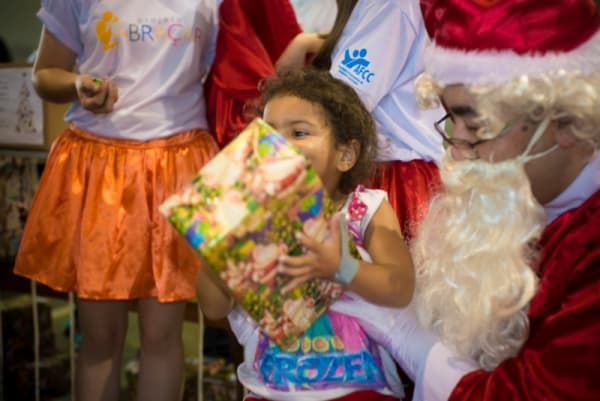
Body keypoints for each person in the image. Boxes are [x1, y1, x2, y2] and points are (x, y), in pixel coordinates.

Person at [336, 0, 600, 400]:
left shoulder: (590, 245)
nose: (457, 153)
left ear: (565, 121)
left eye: (477, 128)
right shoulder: (522, 197)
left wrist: (411, 341)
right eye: (450, 123)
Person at [13, 1, 221, 400]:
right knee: (99, 337)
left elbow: (233, 71)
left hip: (176, 168)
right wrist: (77, 84)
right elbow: (43, 75)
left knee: (163, 335)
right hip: (100, 170)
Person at [195, 68, 415, 400]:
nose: (278, 144)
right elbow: (213, 308)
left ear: (345, 155)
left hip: (358, 391)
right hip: (270, 392)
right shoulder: (252, 218)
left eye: (299, 132)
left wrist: (342, 266)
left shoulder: (364, 210)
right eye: (268, 133)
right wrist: (219, 245)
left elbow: (400, 288)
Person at [276, 0, 444, 240]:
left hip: (391, 175)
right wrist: (306, 42)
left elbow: (342, 106)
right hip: (384, 167)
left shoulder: (391, 4)